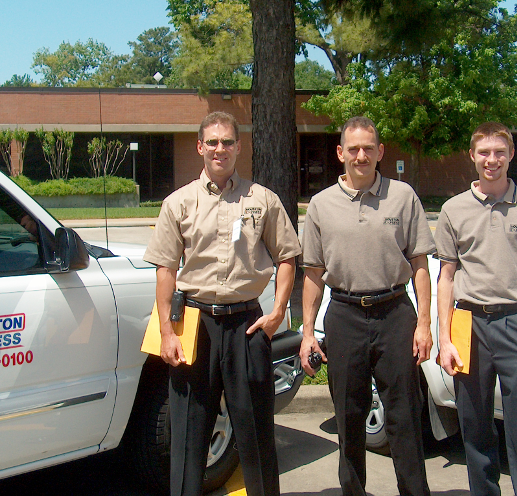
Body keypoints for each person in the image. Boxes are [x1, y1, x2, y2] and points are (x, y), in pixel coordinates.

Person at [143, 111, 301, 496]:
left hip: (246, 324)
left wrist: (277, 311)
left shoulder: (262, 200)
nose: (220, 149)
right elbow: (166, 270)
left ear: (238, 147)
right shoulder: (178, 203)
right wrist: (167, 332)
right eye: (212, 142)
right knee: (187, 433)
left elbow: (287, 257)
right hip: (194, 324)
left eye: (227, 141)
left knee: (256, 431)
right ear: (200, 147)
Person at [299, 116, 435, 496]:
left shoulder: (403, 196)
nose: (361, 155)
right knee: (349, 416)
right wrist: (308, 333)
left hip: (395, 313)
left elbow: (421, 265)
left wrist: (423, 324)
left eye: (368, 149)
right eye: (353, 149)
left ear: (380, 153)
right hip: (343, 315)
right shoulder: (321, 205)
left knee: (404, 417)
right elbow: (312, 273)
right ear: (341, 153)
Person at [434, 122, 517, 496]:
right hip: (467, 324)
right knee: (474, 426)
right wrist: (445, 338)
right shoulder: (453, 209)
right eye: (485, 153)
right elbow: (446, 276)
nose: (493, 160)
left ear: (510, 155)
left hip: (515, 323)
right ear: (472, 156)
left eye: (500, 152)